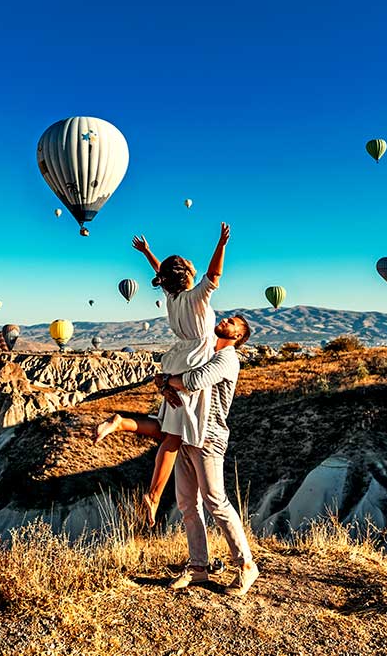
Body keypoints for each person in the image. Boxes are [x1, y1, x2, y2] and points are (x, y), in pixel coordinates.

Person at [94, 223, 230, 525]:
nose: (195, 265)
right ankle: (153, 497)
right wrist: (221, 244)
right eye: (190, 264)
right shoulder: (197, 297)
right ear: (186, 275)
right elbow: (215, 275)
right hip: (195, 362)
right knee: (175, 436)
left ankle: (123, 423)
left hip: (177, 360)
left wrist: (147, 253)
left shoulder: (171, 298)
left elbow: (161, 272)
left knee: (169, 431)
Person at [159, 314, 257, 595]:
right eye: (229, 317)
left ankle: (246, 565)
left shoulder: (227, 359)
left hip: (209, 438)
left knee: (216, 501)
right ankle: (198, 567)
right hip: (187, 434)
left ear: (238, 336)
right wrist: (168, 381)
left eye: (234, 322)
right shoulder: (204, 353)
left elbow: (194, 380)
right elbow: (179, 375)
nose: (226, 319)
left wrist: (167, 380)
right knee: (188, 503)